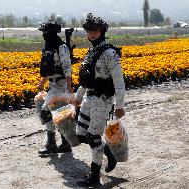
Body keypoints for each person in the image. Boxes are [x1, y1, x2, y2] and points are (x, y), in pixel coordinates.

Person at [73, 13, 126, 187]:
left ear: (102, 31)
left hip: (103, 101)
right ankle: (109, 154)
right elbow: (86, 81)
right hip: (89, 98)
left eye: (95, 30)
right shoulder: (91, 52)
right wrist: (78, 98)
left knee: (93, 136)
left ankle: (94, 177)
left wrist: (120, 105)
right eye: (89, 30)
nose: (92, 33)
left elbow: (119, 81)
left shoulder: (110, 53)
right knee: (81, 135)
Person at [37, 20, 73, 155]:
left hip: (61, 86)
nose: (43, 35)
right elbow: (48, 69)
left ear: (51, 33)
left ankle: (52, 144)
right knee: (59, 115)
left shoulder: (61, 48)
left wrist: (69, 87)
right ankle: (65, 143)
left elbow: (67, 69)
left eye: (45, 32)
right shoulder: (48, 47)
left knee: (47, 113)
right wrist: (42, 83)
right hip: (53, 85)